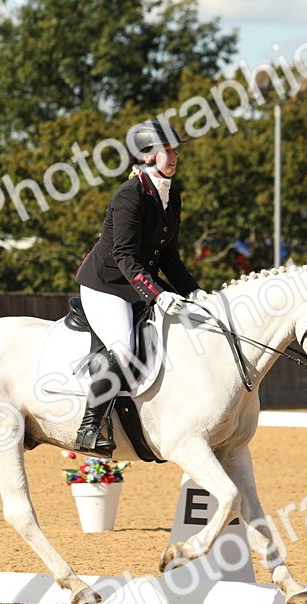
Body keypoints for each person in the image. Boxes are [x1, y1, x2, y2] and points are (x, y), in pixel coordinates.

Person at [72, 119, 203, 453]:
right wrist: (157, 294)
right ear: (146, 155)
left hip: (136, 280)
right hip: (107, 284)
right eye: (167, 150)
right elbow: (125, 256)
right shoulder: (129, 195)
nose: (174, 156)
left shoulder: (171, 197)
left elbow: (170, 257)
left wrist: (196, 293)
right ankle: (89, 428)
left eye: (175, 150)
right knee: (124, 348)